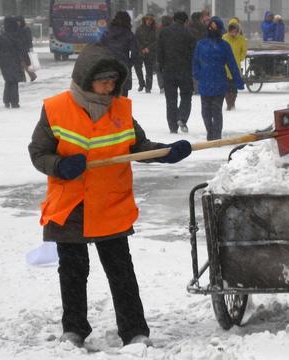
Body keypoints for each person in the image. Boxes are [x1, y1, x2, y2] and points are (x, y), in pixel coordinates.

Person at [28, 43, 192, 349]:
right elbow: (38, 153)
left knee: (121, 270)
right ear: (86, 79)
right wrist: (60, 165)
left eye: (113, 81)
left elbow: (137, 146)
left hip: (110, 203)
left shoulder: (121, 109)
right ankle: (74, 329)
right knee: (74, 271)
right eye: (103, 81)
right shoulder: (56, 108)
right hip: (71, 204)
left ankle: (134, 331)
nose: (109, 87)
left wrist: (165, 153)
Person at [193, 17, 244, 140]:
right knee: (205, 112)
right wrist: (197, 74)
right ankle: (210, 132)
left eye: (215, 27)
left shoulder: (224, 45)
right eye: (211, 27)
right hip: (206, 82)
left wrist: (238, 80)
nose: (213, 29)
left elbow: (232, 64)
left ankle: (216, 135)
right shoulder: (201, 44)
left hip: (218, 83)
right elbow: (195, 62)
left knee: (216, 111)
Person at [157, 11, 196, 133]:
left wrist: (162, 66)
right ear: (185, 21)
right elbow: (193, 53)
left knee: (171, 100)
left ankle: (172, 127)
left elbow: (160, 52)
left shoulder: (164, 32)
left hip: (169, 70)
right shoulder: (189, 34)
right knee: (186, 96)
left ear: (174, 20)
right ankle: (182, 118)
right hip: (185, 70)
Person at [99, 11, 139, 97]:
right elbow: (135, 52)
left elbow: (99, 49)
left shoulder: (106, 33)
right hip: (123, 68)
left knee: (108, 96)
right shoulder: (129, 34)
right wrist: (129, 64)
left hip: (108, 67)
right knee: (123, 97)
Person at [0, 16, 28, 109]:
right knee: (14, 82)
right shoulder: (17, 35)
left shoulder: (2, 36)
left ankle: (6, 101)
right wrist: (26, 61)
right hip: (15, 61)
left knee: (8, 81)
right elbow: (22, 49)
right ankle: (14, 102)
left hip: (4, 62)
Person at [222, 22, 247, 110]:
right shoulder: (224, 38)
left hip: (235, 65)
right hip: (225, 66)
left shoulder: (241, 39)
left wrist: (239, 58)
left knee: (234, 86)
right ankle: (229, 103)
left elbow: (244, 51)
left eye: (235, 31)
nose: (233, 32)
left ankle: (232, 102)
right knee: (227, 86)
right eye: (232, 31)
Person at [135, 14, 157, 93]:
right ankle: (141, 83)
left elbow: (156, 41)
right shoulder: (139, 29)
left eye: (150, 20)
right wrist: (141, 48)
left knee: (149, 70)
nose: (149, 21)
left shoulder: (155, 29)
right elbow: (136, 39)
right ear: (144, 20)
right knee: (137, 67)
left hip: (150, 52)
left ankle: (148, 87)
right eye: (147, 19)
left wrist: (149, 48)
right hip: (140, 51)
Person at [15, 15, 36, 82]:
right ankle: (27, 77)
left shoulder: (26, 29)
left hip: (25, 49)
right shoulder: (17, 29)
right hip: (19, 49)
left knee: (24, 64)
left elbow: (29, 39)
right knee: (22, 64)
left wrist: (30, 48)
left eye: (18, 21)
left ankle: (30, 76)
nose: (17, 23)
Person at [155, 15, 173, 94]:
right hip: (171, 52)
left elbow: (157, 40)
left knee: (159, 69)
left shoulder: (159, 30)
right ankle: (168, 84)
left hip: (160, 51)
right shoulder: (173, 30)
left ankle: (162, 86)